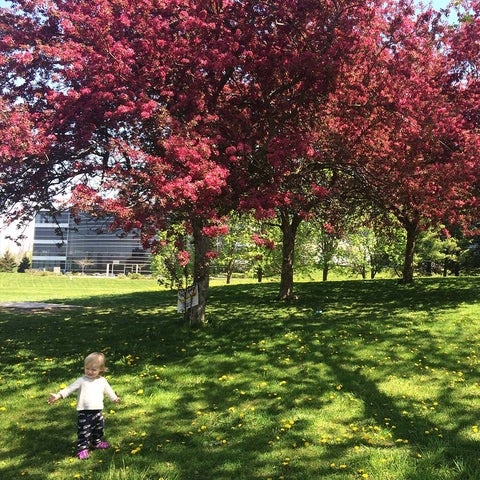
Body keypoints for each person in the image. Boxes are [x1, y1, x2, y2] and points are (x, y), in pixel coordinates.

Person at [48, 352, 120, 460]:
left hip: (98, 411)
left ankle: (96, 442)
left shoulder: (102, 381)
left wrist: (115, 398)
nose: (90, 372)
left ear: (101, 369)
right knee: (84, 431)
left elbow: (109, 391)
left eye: (93, 370)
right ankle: (82, 448)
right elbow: (69, 389)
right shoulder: (81, 380)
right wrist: (58, 395)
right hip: (84, 412)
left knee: (99, 428)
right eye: (87, 368)